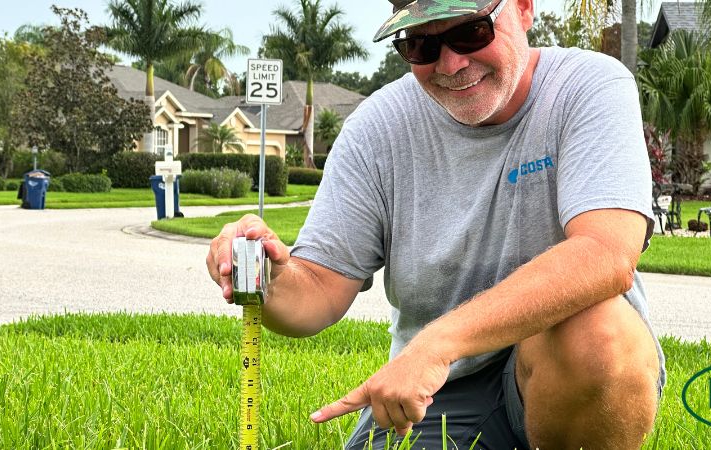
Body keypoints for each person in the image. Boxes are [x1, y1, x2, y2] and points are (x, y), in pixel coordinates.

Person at [206, 0, 666, 447]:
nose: (451, 63)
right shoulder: (377, 128)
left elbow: (606, 254)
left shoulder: (588, 86)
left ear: (524, 8)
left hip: (552, 367)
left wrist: (438, 345)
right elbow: (319, 291)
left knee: (598, 335)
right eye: (421, 45)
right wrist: (271, 277)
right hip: (437, 392)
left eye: (472, 32)